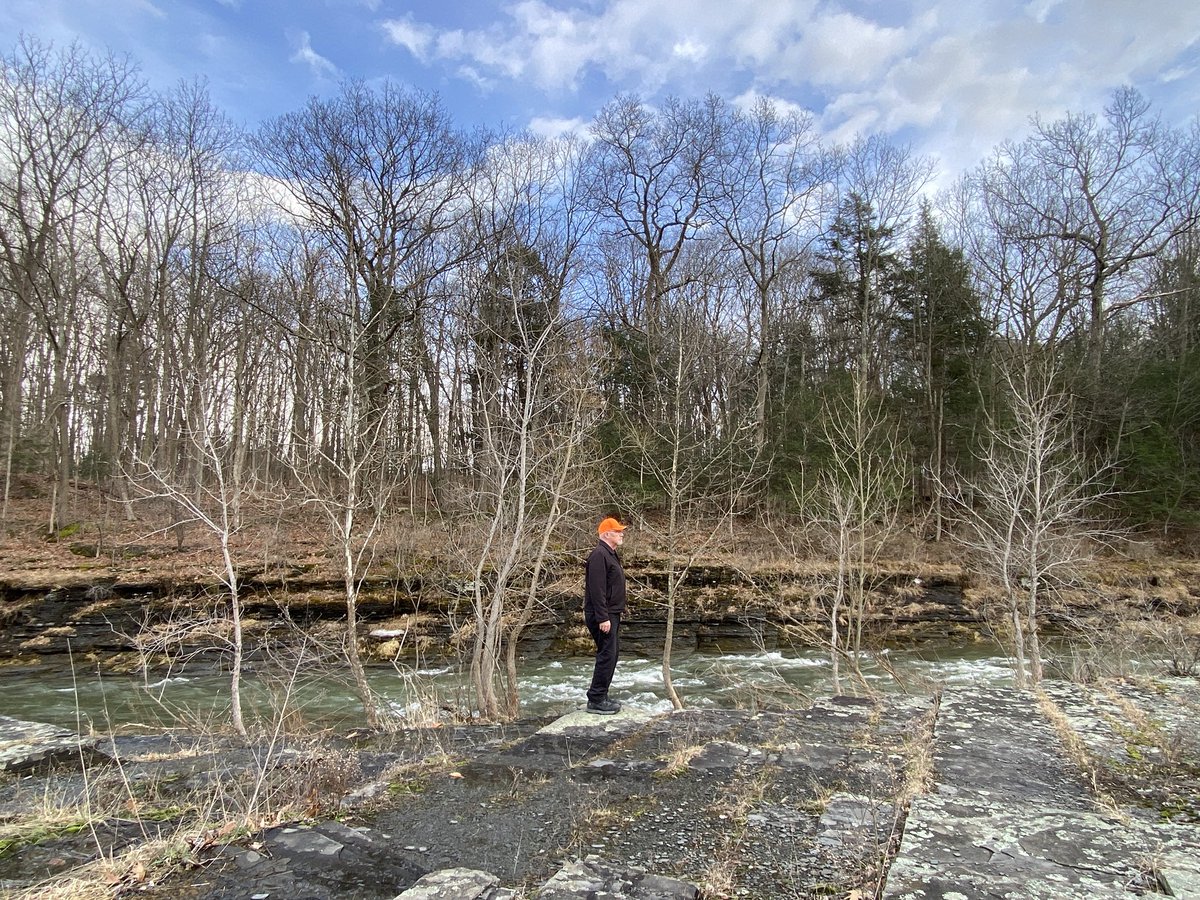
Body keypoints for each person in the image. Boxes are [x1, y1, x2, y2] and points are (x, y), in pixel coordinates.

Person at [584, 516, 628, 714]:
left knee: (612, 654)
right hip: (603, 615)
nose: (621, 534)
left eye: (621, 531)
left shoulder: (609, 554)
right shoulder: (599, 555)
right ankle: (596, 699)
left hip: (611, 613)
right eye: (618, 531)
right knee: (607, 655)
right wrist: (603, 617)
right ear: (606, 534)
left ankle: (602, 695)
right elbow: (596, 589)